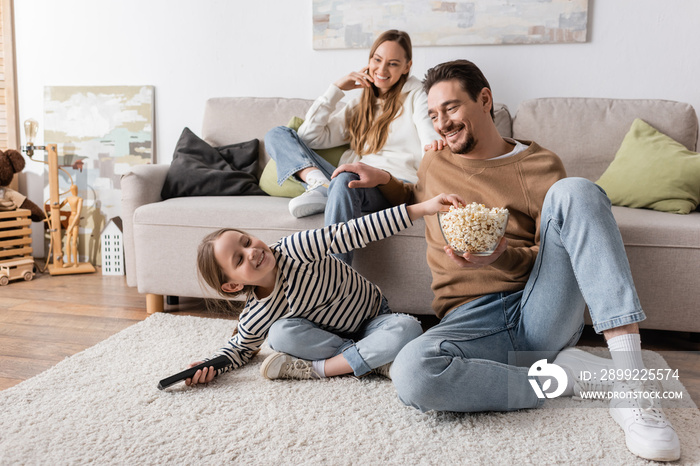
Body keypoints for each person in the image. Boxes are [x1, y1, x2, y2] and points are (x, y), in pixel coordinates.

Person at [331, 60, 681, 462]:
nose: (441, 123)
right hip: (469, 321)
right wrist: (385, 181)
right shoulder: (434, 161)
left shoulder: (540, 165)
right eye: (433, 114)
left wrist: (499, 257)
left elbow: (553, 256)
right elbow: (415, 194)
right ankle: (560, 377)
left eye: (451, 108)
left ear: (485, 100)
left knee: (577, 191)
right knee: (412, 373)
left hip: (539, 308)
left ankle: (633, 391)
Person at [183, 193, 462, 386]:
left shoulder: (295, 249)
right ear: (233, 285)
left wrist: (422, 208)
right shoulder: (257, 315)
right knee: (279, 335)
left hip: (374, 319)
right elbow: (240, 350)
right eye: (239, 259)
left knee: (407, 328)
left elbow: (355, 231)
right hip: (329, 341)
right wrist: (209, 366)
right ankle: (370, 360)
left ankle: (324, 369)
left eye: (246, 241)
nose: (252, 251)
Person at [264, 29, 440, 264]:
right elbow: (309, 137)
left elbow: (429, 135)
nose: (382, 70)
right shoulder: (360, 101)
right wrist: (336, 89)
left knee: (346, 177)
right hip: (346, 179)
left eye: (393, 64)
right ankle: (320, 183)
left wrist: (436, 145)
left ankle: (336, 277)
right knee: (277, 134)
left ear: (407, 67)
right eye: (377, 60)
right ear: (369, 60)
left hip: (391, 184)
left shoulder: (418, 95)